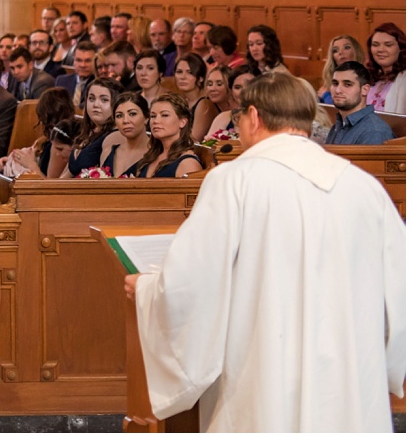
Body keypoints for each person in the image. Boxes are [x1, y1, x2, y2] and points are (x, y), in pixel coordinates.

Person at [127, 70, 405, 430]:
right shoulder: (363, 187)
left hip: (262, 376)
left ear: (254, 117)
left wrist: (148, 289)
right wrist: (386, 366)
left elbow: (191, 282)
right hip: (347, 380)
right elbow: (398, 290)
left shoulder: (233, 181)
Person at [125, 96, 204, 179]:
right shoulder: (152, 156)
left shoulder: (188, 163)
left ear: (182, 122)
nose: (156, 121)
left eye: (165, 115)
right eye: (153, 116)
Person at [325, 61, 395, 146]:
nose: (338, 90)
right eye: (335, 83)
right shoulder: (338, 125)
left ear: (365, 90)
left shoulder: (374, 132)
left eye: (347, 84)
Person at [65, 79, 120, 176]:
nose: (96, 105)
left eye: (104, 100)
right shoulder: (86, 132)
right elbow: (64, 178)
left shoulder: (116, 135)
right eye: (91, 99)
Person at [99, 93, 153, 177]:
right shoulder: (108, 152)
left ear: (146, 117)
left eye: (132, 114)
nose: (125, 121)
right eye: (119, 116)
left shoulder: (157, 153)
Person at [365, 23, 406, 114]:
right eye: (375, 45)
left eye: (388, 45)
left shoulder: (405, 79)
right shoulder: (370, 78)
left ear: (401, 48)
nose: (381, 49)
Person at [318, 34, 366, 103]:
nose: (340, 52)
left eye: (346, 47)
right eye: (335, 50)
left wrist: (326, 96)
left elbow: (346, 109)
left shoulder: (366, 77)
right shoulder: (330, 80)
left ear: (356, 51)